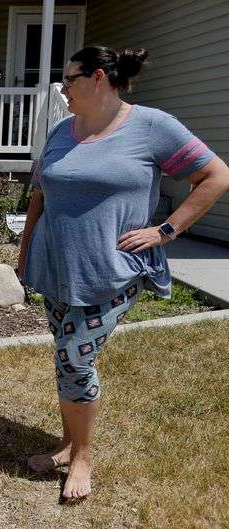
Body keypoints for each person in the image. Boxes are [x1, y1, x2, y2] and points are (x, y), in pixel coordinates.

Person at [16, 46, 229, 502]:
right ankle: (68, 443)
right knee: (67, 358)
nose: (63, 91)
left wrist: (166, 230)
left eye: (67, 81)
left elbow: (215, 175)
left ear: (97, 78)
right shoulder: (60, 131)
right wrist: (25, 246)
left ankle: (83, 457)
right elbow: (41, 192)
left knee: (76, 357)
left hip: (110, 272)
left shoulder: (151, 128)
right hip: (56, 270)